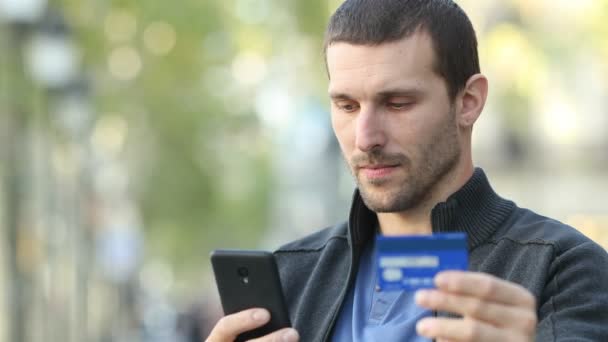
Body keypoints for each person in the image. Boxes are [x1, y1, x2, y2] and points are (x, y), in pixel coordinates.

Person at [206, 0, 608, 341]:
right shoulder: (290, 276)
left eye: (397, 103)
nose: (366, 138)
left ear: (468, 102)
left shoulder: (565, 269)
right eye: (347, 106)